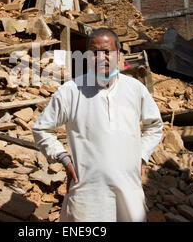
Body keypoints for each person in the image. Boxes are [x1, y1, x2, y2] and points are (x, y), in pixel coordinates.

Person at [32, 27, 163, 222]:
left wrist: (141, 156)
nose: (102, 58)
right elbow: (42, 128)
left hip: (129, 192)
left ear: (118, 54)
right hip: (87, 194)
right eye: (95, 53)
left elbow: (154, 126)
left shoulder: (135, 90)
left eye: (107, 52)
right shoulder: (71, 91)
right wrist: (63, 158)